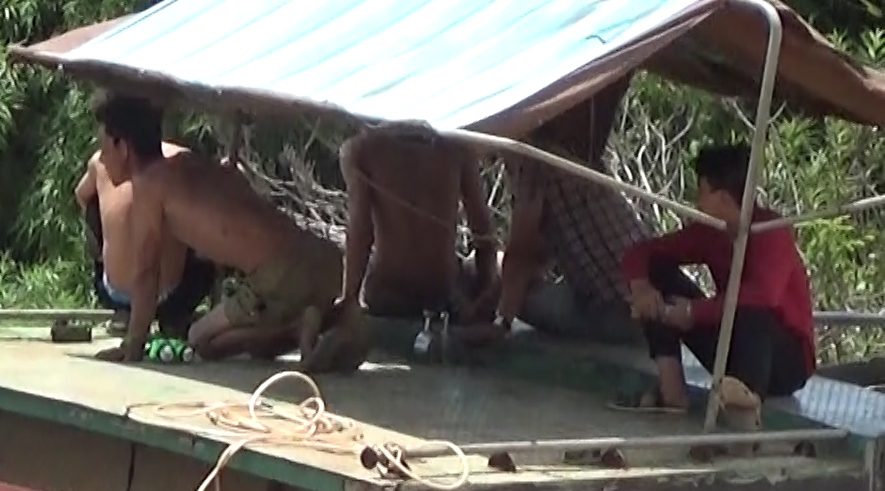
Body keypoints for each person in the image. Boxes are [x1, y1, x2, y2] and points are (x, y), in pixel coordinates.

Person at [86, 91, 364, 372]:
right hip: (324, 259)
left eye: (104, 149)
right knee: (248, 314)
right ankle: (332, 319)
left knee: (200, 340)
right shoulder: (195, 164)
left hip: (283, 276)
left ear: (123, 147)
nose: (103, 160)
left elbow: (147, 272)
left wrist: (133, 345)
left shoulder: (148, 184)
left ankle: (297, 329)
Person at [465, 78, 704, 347]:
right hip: (642, 304)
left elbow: (524, 254)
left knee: (489, 275)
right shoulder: (559, 159)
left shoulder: (532, 164)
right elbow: (536, 256)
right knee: (495, 270)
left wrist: (501, 321)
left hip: (623, 316)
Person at [616, 142, 817, 428]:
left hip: (783, 362)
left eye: (701, 191)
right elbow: (644, 252)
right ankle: (672, 390)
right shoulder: (711, 232)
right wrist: (641, 288)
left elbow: (763, 295)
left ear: (722, 197)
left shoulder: (772, 230)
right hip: (730, 346)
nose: (697, 202)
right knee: (658, 271)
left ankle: (747, 406)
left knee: (752, 308)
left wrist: (694, 312)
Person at [337, 125, 500, 324]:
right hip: (440, 291)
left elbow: (360, 231)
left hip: (389, 292)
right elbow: (483, 230)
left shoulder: (361, 149)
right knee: (483, 264)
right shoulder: (457, 148)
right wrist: (484, 293)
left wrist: (350, 297)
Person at [77, 143, 217, 340]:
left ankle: (129, 311)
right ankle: (173, 318)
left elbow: (81, 196)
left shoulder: (100, 161)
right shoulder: (181, 161)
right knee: (203, 231)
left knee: (92, 206)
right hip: (167, 294)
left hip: (116, 292)